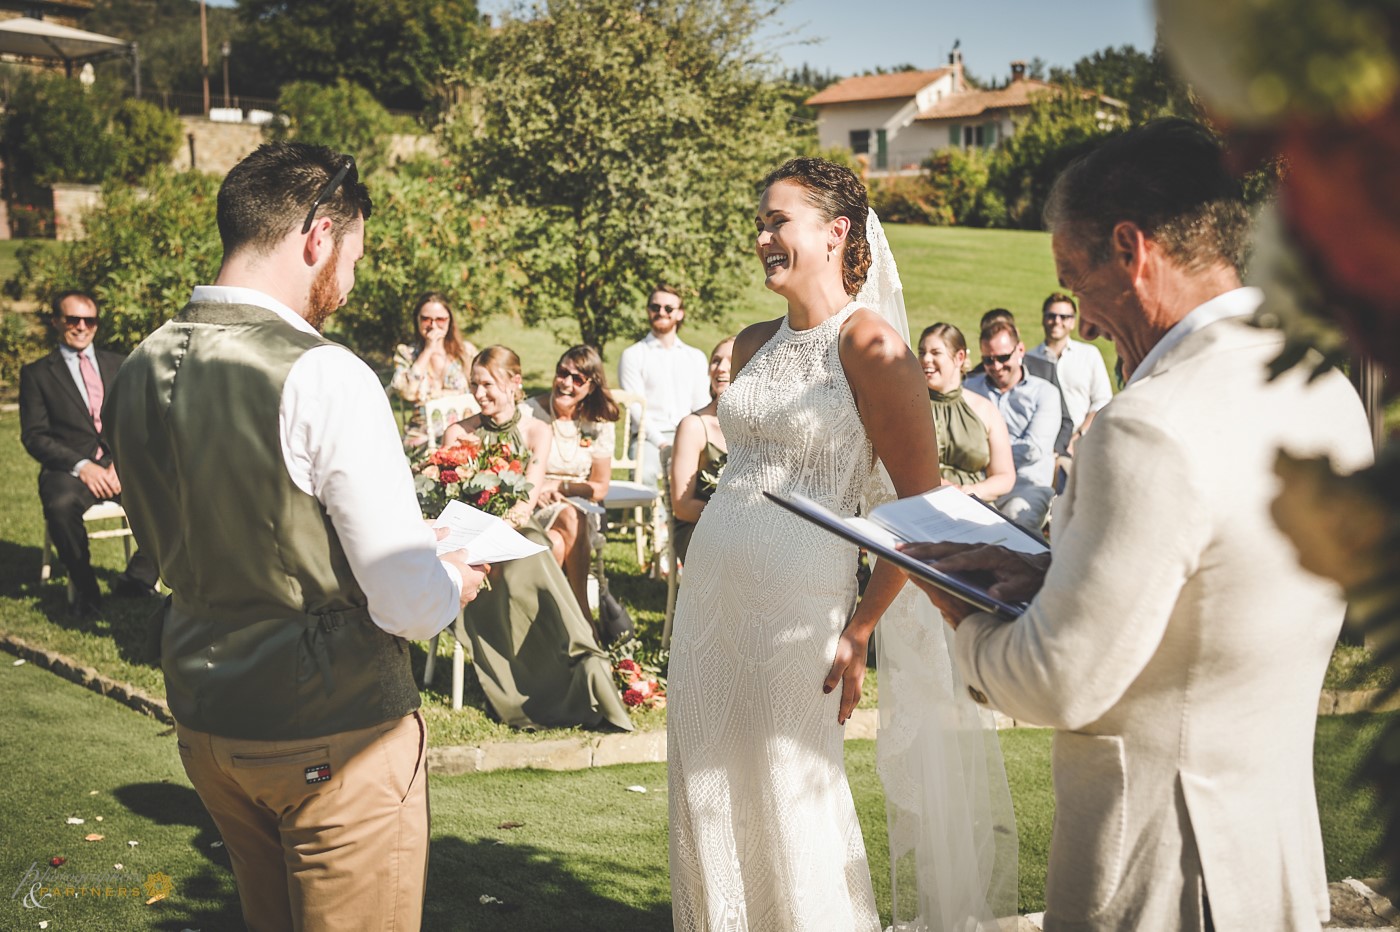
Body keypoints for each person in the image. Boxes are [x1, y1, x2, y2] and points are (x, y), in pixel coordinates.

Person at [902, 119, 1374, 932]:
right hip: (1275, 862)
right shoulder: (1325, 390)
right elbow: (1217, 591)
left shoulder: (1146, 425)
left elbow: (1058, 681)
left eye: (1073, 277)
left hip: (1161, 874)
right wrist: (1057, 581)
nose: (1079, 319)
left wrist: (966, 616)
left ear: (1132, 248)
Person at [106, 142, 490, 931]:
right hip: (332, 731)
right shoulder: (323, 372)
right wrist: (454, 576)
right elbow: (407, 602)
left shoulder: (139, 364)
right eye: (352, 256)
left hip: (207, 721)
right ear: (318, 235)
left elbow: (209, 526)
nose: (347, 284)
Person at [668, 157, 1015, 931]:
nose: (761, 236)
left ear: (835, 233)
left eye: (777, 221)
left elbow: (917, 510)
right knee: (708, 791)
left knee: (794, 797)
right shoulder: (753, 340)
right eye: (759, 222)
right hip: (710, 606)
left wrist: (861, 627)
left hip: (800, 617)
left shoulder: (870, 344)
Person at [442, 346, 633, 732]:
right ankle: (552, 658)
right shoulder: (458, 432)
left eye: (487, 385)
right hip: (470, 537)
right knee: (548, 546)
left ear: (514, 384)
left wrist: (507, 524)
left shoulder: (536, 430)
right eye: (474, 385)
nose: (479, 394)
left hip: (516, 527)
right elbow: (450, 502)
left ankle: (581, 664)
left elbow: (525, 502)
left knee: (543, 544)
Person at [19, 290, 160, 618]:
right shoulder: (37, 374)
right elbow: (34, 436)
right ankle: (86, 590)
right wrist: (82, 466)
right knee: (59, 505)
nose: (81, 326)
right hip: (68, 469)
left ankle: (138, 578)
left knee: (173, 493)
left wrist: (119, 464)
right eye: (72, 319)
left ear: (97, 324)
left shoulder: (121, 363)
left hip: (120, 466)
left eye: (89, 320)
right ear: (56, 321)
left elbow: (137, 422)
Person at [524, 345, 619, 622]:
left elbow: (599, 487)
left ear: (591, 386)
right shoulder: (530, 413)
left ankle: (548, 625)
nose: (566, 383)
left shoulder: (598, 423)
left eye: (577, 379)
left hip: (580, 506)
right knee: (563, 525)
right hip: (534, 504)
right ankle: (581, 619)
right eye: (562, 373)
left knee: (557, 540)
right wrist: (536, 488)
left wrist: (558, 487)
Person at [964, 319, 1061, 530]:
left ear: (1020, 350)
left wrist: (985, 456)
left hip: (1025, 486)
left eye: (1003, 357)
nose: (996, 366)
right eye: (988, 360)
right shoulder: (969, 388)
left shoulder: (1045, 393)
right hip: (977, 484)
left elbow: (1033, 449)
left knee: (1018, 524)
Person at [616, 285, 710, 487]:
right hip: (648, 437)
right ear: (648, 311)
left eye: (668, 308)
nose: (661, 312)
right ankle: (655, 520)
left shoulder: (695, 357)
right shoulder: (633, 355)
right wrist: (662, 443)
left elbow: (702, 405)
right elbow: (636, 409)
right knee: (645, 475)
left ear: (680, 313)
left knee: (710, 475)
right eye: (655, 307)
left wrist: (694, 440)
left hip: (687, 434)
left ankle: (691, 518)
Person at [917, 322, 1015, 501]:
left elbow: (1005, 476)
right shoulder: (911, 405)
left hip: (972, 504)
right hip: (920, 499)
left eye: (936, 353)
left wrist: (970, 491)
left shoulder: (985, 410)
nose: (926, 359)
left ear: (959, 357)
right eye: (922, 352)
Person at [668, 336, 733, 564]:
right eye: (716, 361)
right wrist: (738, 520)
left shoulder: (760, 427)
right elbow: (683, 507)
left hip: (747, 531)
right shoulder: (694, 426)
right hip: (697, 529)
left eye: (731, 361)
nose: (721, 368)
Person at [389, 291, 479, 446]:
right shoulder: (406, 354)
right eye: (426, 319)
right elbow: (407, 393)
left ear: (449, 321)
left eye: (440, 319)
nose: (433, 325)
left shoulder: (466, 353)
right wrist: (428, 350)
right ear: (417, 320)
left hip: (462, 432)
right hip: (423, 435)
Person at [1027, 292, 1112, 449]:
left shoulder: (1089, 355)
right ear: (1043, 319)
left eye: (1064, 317)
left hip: (1083, 441)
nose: (1057, 321)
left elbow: (1102, 400)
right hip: (1042, 444)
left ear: (1073, 322)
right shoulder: (1029, 359)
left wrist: (1079, 435)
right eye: (1051, 316)